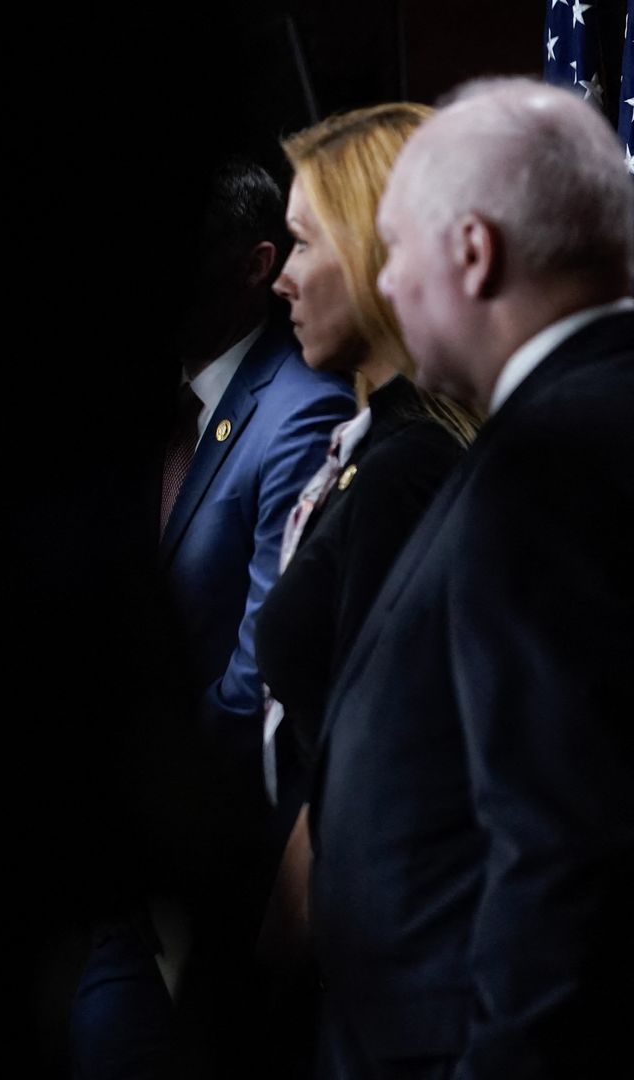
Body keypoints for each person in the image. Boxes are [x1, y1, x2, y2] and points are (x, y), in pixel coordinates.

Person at [310, 78, 634, 1078]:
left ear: (471, 251)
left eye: (395, 249)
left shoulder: (554, 460)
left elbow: (568, 850)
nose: (389, 285)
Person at [70, 159, 356, 1079]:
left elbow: (256, 670)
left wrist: (143, 792)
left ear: (251, 264)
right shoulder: (134, 395)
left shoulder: (298, 411)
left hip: (224, 853)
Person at [248, 101, 482, 1076]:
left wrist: (260, 988)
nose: (285, 281)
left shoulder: (409, 470)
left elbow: (369, 776)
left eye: (304, 243)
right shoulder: (374, 453)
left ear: (379, 247)